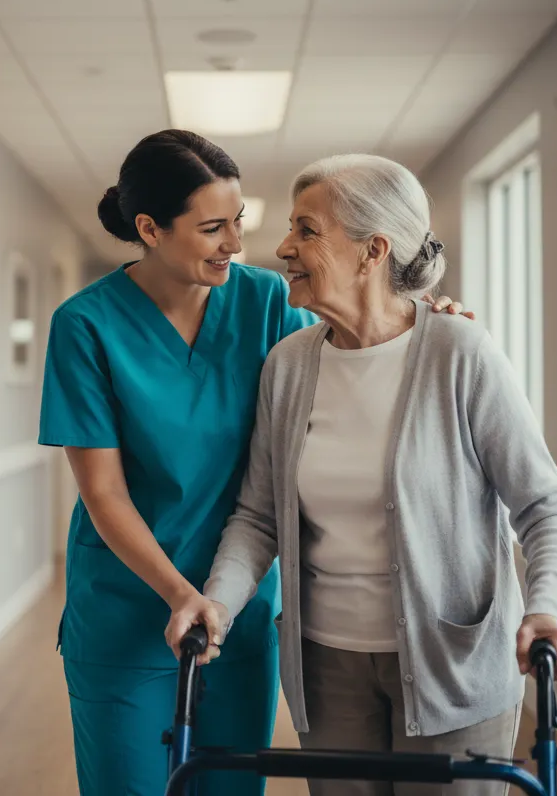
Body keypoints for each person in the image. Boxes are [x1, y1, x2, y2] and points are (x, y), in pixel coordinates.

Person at [38, 131, 473, 796]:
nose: (236, 244)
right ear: (150, 229)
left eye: (238, 222)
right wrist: (184, 596)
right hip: (126, 613)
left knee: (231, 788)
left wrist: (425, 325)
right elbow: (104, 493)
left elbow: (363, 343)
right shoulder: (85, 324)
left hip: (237, 612)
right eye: (212, 228)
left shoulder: (269, 301)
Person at [166, 153, 557, 796]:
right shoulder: (288, 364)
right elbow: (258, 516)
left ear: (373, 251)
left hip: (453, 664)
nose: (282, 246)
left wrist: (549, 607)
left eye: (307, 230)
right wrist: (218, 602)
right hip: (325, 668)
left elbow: (544, 506)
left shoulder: (458, 351)